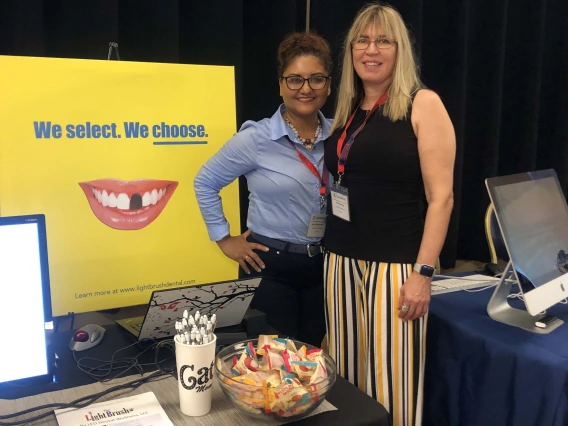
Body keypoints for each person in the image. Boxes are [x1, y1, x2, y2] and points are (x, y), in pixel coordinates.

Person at [322, 3, 455, 426]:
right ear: (351, 50)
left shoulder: (422, 103)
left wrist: (423, 274)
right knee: (344, 380)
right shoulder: (348, 110)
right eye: (363, 39)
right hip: (340, 260)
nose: (371, 49)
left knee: (391, 382)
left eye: (383, 40)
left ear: (400, 51)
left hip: (396, 268)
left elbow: (442, 198)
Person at [194, 32, 333, 347]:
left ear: (329, 84)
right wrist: (224, 239)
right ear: (281, 84)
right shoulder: (256, 139)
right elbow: (205, 181)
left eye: (316, 79)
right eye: (295, 79)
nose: (306, 88)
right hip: (270, 268)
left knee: (313, 356)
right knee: (273, 362)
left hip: (323, 267)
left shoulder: (339, 136)